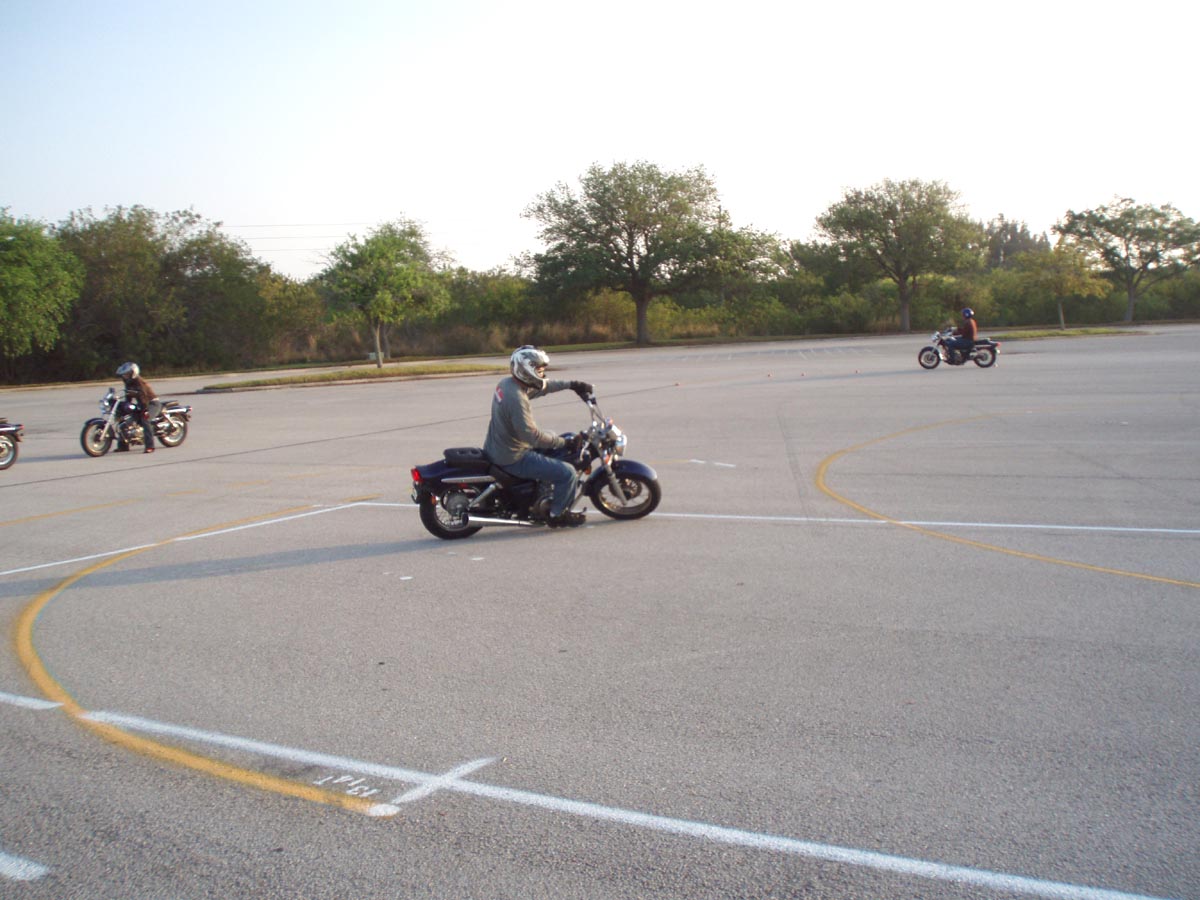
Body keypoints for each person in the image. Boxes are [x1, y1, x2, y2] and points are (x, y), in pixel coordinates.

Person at [483, 345, 593, 528]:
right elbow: (532, 437)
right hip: (512, 456)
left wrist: (572, 385)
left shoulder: (507, 384)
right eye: (539, 370)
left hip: (499, 446)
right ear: (527, 370)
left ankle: (543, 489)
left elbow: (543, 387)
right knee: (567, 473)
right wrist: (565, 442)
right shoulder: (516, 399)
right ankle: (557, 515)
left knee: (552, 439)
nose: (542, 374)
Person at [115, 361, 161, 453]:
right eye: (124, 375)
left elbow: (144, 397)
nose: (125, 376)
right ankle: (123, 446)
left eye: (127, 374)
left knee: (145, 419)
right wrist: (125, 406)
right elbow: (128, 397)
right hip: (141, 404)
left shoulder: (140, 383)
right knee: (124, 420)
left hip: (152, 403)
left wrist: (144, 409)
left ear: (133, 373)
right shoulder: (128, 383)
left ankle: (150, 446)